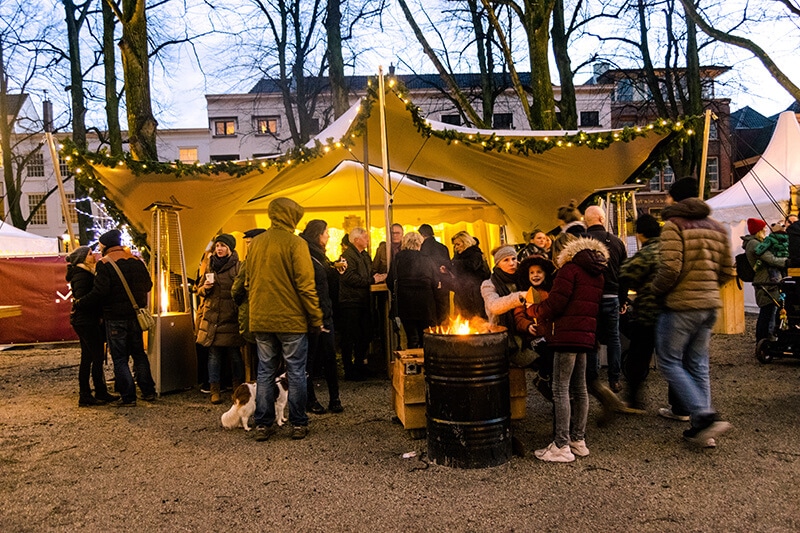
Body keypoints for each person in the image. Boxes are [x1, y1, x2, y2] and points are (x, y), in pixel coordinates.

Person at [651, 177, 734, 447]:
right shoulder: (718, 227)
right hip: (709, 304)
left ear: (675, 199)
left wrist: (656, 290)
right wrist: (709, 288)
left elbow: (670, 269)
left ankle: (704, 415)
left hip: (681, 306)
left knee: (669, 361)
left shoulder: (673, 226)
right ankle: (702, 427)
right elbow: (727, 270)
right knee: (698, 364)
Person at [245, 198, 323, 441]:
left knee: (265, 372)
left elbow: (248, 279)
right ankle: (298, 423)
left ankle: (263, 424)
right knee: (296, 371)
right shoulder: (296, 243)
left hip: (261, 318)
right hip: (291, 320)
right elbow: (306, 285)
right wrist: (316, 316)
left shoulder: (255, 243)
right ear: (292, 217)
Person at [530, 237, 608, 462]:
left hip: (566, 335)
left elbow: (556, 304)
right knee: (580, 388)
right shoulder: (597, 272)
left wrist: (535, 310)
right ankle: (578, 440)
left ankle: (561, 445)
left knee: (560, 388)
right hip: (585, 335)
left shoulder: (569, 270)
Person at [74, 229, 156, 407]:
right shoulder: (136, 260)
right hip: (136, 316)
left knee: (119, 358)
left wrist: (81, 302)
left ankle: (129, 397)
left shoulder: (105, 263)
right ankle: (148, 391)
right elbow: (148, 285)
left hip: (115, 318)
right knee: (139, 354)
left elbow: (100, 291)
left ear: (105, 246)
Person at [618, 214, 662, 410]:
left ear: (641, 234)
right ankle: (681, 406)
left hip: (649, 313)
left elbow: (625, 272)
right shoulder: (670, 248)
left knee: (638, 356)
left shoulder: (647, 252)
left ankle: (634, 401)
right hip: (673, 312)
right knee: (674, 361)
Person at [300, 220, 344, 414]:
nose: (328, 236)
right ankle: (310, 400)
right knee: (310, 360)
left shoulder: (319, 254)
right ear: (318, 234)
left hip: (325, 313)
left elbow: (324, 282)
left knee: (329, 358)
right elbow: (309, 286)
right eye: (326, 232)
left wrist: (336, 272)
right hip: (312, 315)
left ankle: (334, 399)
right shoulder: (306, 254)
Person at [66, 246, 118, 406]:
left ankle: (89, 392)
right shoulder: (82, 275)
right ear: (82, 259)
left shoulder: (83, 273)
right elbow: (84, 299)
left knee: (88, 357)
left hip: (85, 320)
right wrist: (90, 302)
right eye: (89, 254)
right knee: (95, 357)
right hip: (86, 321)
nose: (93, 256)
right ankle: (94, 392)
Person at [584, 205, 628, 393]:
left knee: (592, 339)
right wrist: (623, 299)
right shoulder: (617, 243)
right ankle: (614, 379)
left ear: (586, 221)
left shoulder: (580, 242)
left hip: (590, 298)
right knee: (613, 338)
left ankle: (593, 379)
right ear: (602, 219)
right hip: (612, 296)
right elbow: (625, 274)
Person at [196, 233, 244, 405]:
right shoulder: (209, 267)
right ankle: (214, 389)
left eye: (223, 246)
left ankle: (237, 388)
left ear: (230, 248)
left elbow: (242, 290)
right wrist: (205, 288)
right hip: (212, 316)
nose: (219, 249)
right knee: (214, 355)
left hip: (230, 316)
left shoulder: (238, 267)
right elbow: (199, 289)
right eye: (217, 246)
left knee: (234, 355)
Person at [339, 227, 386, 380]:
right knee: (350, 337)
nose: (368, 239)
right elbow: (349, 278)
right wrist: (372, 280)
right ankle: (349, 370)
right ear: (356, 240)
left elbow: (369, 271)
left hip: (363, 301)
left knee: (364, 335)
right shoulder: (346, 256)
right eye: (365, 237)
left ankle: (360, 365)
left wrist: (376, 276)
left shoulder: (364, 255)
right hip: (350, 302)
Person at [514, 255, 557, 401]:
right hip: (534, 335)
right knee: (548, 354)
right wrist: (527, 326)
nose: (535, 275)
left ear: (545, 274)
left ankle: (550, 385)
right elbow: (518, 316)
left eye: (539, 272)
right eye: (532, 273)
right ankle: (542, 379)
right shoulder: (525, 294)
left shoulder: (551, 292)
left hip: (551, 333)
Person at [387, 231, 439, 349]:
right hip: (425, 303)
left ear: (404, 243)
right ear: (419, 243)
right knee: (425, 336)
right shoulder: (427, 259)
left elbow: (390, 281)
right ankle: (425, 364)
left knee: (411, 337)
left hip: (405, 303)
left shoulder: (398, 260)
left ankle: (412, 364)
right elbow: (435, 282)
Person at [231, 228, 267, 381]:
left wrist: (243, 303)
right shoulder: (273, 260)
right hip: (270, 316)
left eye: (250, 243)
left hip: (252, 315)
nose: (248, 246)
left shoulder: (248, 263)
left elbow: (236, 290)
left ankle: (257, 387)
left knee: (255, 356)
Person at [481, 245, 526, 349]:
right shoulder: (489, 284)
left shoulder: (523, 279)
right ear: (498, 264)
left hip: (525, 331)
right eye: (506, 260)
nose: (511, 263)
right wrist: (518, 297)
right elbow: (494, 306)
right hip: (502, 336)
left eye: (514, 259)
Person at [444, 231, 490, 319]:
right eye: (455, 245)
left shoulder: (475, 254)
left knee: (475, 320)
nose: (456, 247)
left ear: (465, 242)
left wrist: (453, 264)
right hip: (461, 293)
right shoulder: (458, 257)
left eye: (458, 244)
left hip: (473, 295)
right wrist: (447, 270)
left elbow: (471, 266)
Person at [418, 223, 451, 324]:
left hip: (428, 284)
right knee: (443, 313)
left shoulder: (421, 248)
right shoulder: (443, 247)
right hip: (444, 282)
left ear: (422, 235)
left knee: (431, 314)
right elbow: (448, 265)